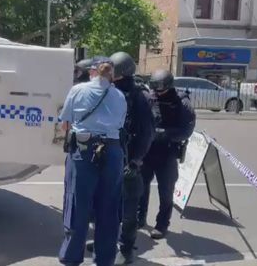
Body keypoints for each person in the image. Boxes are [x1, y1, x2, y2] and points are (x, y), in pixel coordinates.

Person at [58, 57, 127, 266]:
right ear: (112, 75)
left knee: (78, 205)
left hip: (83, 151)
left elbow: (65, 124)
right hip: (112, 152)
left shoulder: (78, 90)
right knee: (109, 207)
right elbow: (120, 124)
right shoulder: (119, 95)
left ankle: (71, 258)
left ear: (93, 72)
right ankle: (105, 260)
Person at [138, 69, 195, 240]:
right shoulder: (150, 96)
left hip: (167, 153)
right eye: (154, 88)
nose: (157, 92)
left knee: (166, 191)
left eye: (160, 88)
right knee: (141, 187)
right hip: (147, 150)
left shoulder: (182, 102)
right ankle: (140, 218)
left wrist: (164, 133)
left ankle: (162, 225)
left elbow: (186, 130)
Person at [109, 51, 155, 265]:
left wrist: (137, 160)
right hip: (110, 156)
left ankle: (126, 249)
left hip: (130, 159)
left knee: (129, 210)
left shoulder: (140, 97)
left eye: (113, 71)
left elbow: (147, 132)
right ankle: (109, 241)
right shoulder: (108, 91)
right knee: (107, 205)